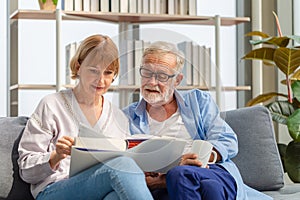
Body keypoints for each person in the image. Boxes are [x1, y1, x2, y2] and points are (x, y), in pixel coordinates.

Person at [123, 41, 272, 200]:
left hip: (210, 171)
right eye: (147, 73)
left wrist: (202, 158)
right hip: (170, 186)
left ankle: (174, 178)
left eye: (162, 76)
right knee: (208, 188)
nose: (152, 82)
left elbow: (226, 139)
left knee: (184, 175)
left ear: (177, 80)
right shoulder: (127, 117)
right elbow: (123, 160)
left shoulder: (198, 101)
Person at [18, 34, 153, 200]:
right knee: (122, 165)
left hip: (99, 189)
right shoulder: (51, 105)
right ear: (78, 67)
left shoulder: (118, 117)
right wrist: (56, 156)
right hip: (53, 191)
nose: (101, 80)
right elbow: (26, 170)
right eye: (93, 71)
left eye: (108, 73)